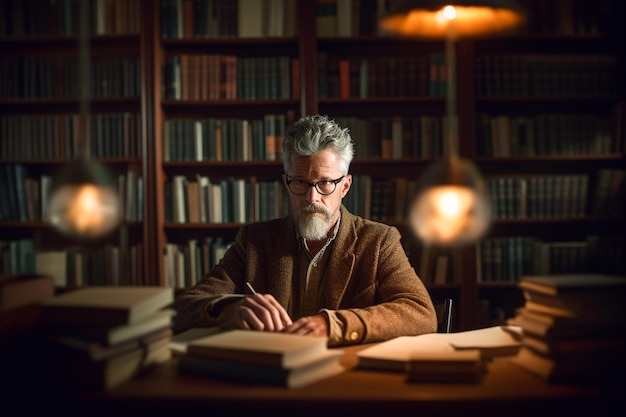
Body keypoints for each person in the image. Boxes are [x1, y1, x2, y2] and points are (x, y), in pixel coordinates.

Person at [173, 115, 437, 346]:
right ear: (286, 182)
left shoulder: (379, 241)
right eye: (300, 182)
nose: (312, 198)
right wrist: (227, 308)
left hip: (345, 382)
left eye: (324, 184)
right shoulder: (255, 240)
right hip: (268, 383)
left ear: (345, 186)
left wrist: (333, 326)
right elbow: (184, 307)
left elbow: (420, 313)